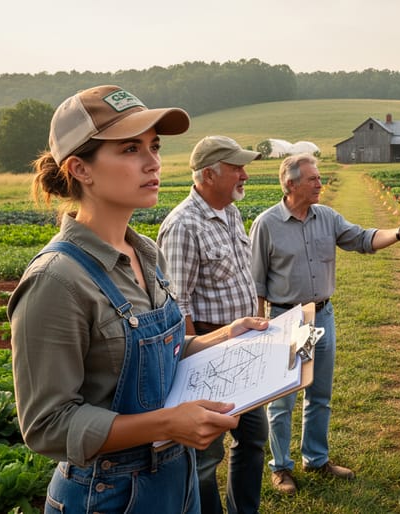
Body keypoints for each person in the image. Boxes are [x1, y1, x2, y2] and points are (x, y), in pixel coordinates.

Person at [8, 85, 268, 513]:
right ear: (81, 169)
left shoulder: (146, 252)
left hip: (173, 477)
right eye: (130, 149)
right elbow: (47, 425)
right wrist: (166, 423)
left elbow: (155, 353)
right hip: (107, 494)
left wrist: (224, 336)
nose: (153, 162)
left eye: (154, 146)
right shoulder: (57, 281)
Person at [249, 153, 400, 495]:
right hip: (286, 320)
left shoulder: (327, 217)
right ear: (290, 184)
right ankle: (281, 467)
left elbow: (362, 239)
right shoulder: (266, 224)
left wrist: (398, 233)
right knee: (283, 399)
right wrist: (262, 327)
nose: (320, 183)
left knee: (320, 393)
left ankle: (316, 459)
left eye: (320, 178)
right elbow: (256, 283)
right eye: (313, 179)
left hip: (322, 315)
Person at [157, 135, 266, 514]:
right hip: (210, 349)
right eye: (236, 168)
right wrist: (195, 365)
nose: (245, 175)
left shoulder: (231, 212)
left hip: (245, 347)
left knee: (253, 438)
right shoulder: (183, 225)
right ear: (208, 174)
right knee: (206, 456)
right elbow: (177, 303)